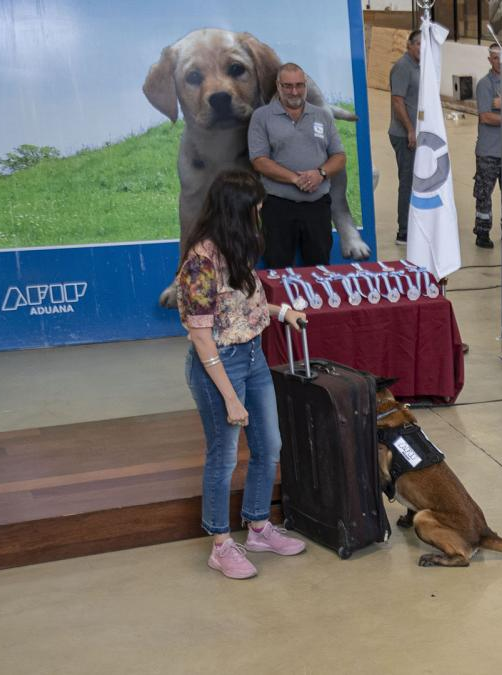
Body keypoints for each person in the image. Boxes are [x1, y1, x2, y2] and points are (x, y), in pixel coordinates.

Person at [177, 170, 308, 580]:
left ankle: (258, 526)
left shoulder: (238, 247)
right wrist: (230, 398)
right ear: (236, 210)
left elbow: (240, 308)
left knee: (270, 445)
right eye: (255, 206)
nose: (260, 211)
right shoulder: (201, 261)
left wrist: (282, 312)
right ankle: (220, 543)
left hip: (252, 358)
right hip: (219, 365)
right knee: (224, 455)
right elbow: (202, 337)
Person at [248, 63, 346, 268]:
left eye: (299, 85)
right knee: (277, 268)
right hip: (277, 207)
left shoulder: (322, 115)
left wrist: (320, 174)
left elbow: (339, 156)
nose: (294, 91)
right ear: (278, 86)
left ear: (306, 85)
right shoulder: (261, 117)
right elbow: (259, 160)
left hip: (317, 208)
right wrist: (295, 179)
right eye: (288, 86)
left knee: (319, 269)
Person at [388, 30, 422, 245]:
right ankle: (404, 231)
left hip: (417, 134)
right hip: (404, 135)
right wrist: (410, 129)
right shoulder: (403, 67)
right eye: (418, 44)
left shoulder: (420, 67)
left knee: (417, 181)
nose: (421, 48)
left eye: (424, 44)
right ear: (409, 45)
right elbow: (398, 102)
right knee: (407, 181)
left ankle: (415, 223)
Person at [472, 45, 502, 249]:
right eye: (494, 58)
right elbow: (485, 117)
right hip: (488, 152)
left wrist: (500, 105)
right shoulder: (484, 84)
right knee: (484, 195)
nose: (498, 62)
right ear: (489, 60)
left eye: (501, 58)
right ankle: (482, 232)